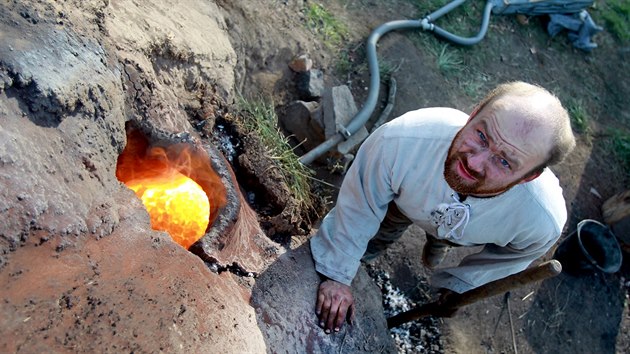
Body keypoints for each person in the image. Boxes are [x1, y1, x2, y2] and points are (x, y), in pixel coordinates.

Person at [310, 81, 576, 334]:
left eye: (504, 162)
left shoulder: (541, 219)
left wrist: (462, 285)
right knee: (382, 230)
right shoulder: (401, 140)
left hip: (472, 232)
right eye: (482, 136)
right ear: (472, 114)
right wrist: (338, 272)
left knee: (449, 233)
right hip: (403, 202)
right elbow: (361, 203)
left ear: (529, 177)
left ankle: (440, 241)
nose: (474, 163)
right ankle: (406, 242)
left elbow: (514, 256)